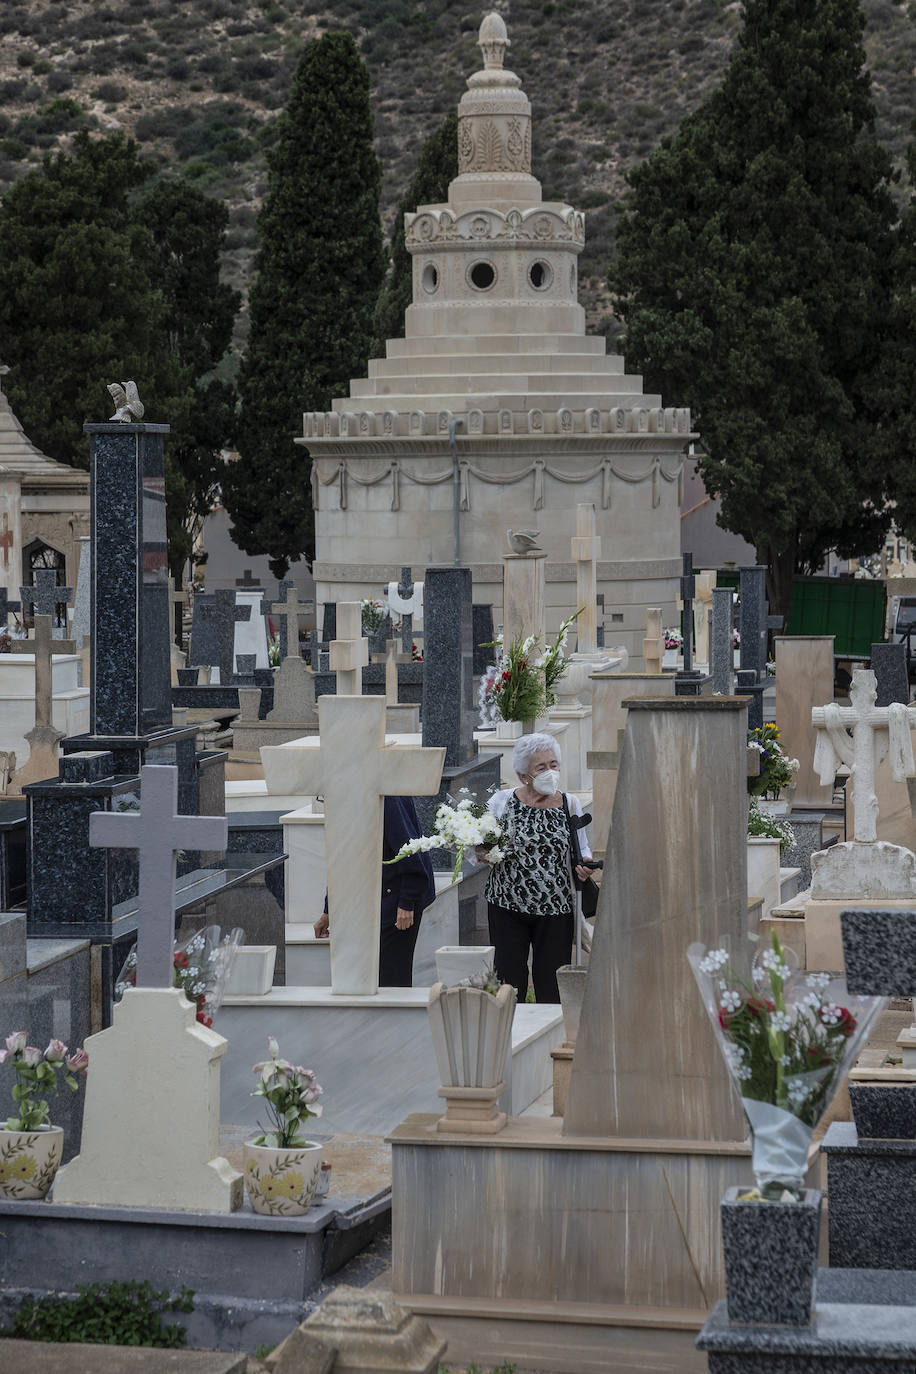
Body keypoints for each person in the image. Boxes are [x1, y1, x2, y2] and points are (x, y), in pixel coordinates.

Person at [484, 733, 592, 1003]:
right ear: (523, 776)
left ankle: (553, 1038)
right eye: (541, 767)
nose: (550, 772)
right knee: (509, 982)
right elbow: (481, 848)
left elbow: (583, 850)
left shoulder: (570, 804)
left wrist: (585, 867)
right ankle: (511, 1037)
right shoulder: (501, 801)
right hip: (506, 905)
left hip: (556, 909)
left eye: (554, 765)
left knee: (552, 983)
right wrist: (483, 853)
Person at [313, 795, 435, 987]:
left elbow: (409, 851)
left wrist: (406, 901)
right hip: (372, 900)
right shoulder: (349, 797)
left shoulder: (387, 796)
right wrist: (330, 909)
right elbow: (344, 859)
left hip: (396, 903)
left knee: (392, 982)